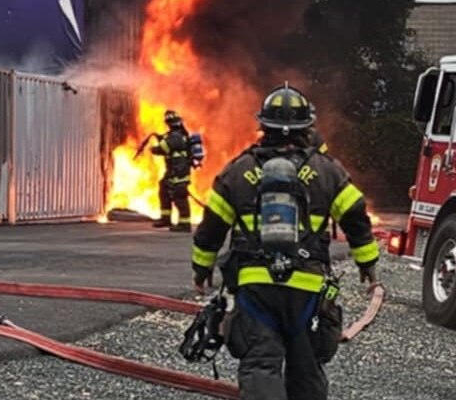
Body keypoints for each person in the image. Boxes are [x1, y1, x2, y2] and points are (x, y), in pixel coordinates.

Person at [191, 84, 379, 400]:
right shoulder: (327, 171)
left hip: (256, 288)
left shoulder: (239, 171)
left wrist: (201, 269)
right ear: (308, 126)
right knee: (307, 370)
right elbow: (357, 219)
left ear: (263, 125)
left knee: (261, 365)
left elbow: (211, 228)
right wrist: (368, 267)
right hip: (308, 288)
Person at [151, 110, 199, 232]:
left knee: (180, 196)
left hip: (179, 172)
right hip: (174, 171)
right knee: (164, 189)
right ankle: (165, 218)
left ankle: (184, 224)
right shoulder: (179, 135)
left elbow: (162, 149)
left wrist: (153, 148)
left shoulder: (175, 136)